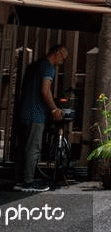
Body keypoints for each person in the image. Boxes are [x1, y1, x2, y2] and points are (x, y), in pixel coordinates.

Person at [14, 44, 68, 192]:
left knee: (23, 148)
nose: (62, 62)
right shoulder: (48, 67)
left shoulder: (33, 66)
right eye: (63, 58)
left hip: (23, 112)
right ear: (56, 53)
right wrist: (54, 109)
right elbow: (45, 90)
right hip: (36, 114)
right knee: (33, 149)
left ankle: (19, 180)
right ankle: (28, 182)